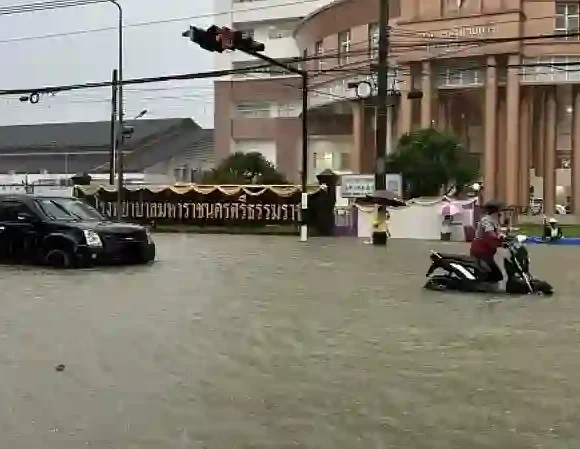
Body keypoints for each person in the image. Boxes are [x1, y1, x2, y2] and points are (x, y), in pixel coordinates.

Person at [470, 200, 504, 284]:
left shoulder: (495, 220)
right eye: (500, 210)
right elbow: (490, 234)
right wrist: (500, 240)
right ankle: (480, 287)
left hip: (488, 251)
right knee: (487, 273)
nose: (501, 212)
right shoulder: (486, 220)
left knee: (495, 274)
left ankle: (488, 286)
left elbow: (498, 233)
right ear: (495, 210)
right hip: (481, 251)